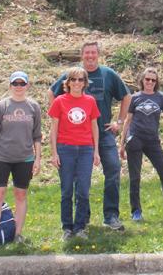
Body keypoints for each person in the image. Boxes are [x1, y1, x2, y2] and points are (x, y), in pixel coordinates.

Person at [50, 41, 130, 231]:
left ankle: (110, 216)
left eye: (93, 52)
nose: (90, 56)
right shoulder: (72, 74)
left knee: (113, 169)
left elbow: (126, 97)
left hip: (103, 133)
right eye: (87, 53)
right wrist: (58, 119)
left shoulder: (108, 74)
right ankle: (81, 219)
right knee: (78, 178)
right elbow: (52, 93)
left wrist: (119, 121)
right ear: (81, 55)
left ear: (98, 54)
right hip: (74, 137)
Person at [0, 71, 42, 248]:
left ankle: (18, 234)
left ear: (27, 86)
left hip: (24, 158)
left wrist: (37, 159)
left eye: (22, 83)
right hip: (1, 157)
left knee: (20, 195)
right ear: (10, 86)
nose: (18, 87)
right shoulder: (1, 106)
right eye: (15, 83)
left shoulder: (33, 107)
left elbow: (37, 136)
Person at [119, 67, 163, 221]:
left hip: (153, 140)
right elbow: (128, 121)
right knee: (135, 177)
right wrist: (121, 144)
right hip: (135, 139)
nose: (150, 82)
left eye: (153, 80)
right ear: (142, 80)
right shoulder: (135, 98)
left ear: (156, 82)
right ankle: (136, 211)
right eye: (147, 79)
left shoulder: (161, 98)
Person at [49, 67, 101, 240]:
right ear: (68, 82)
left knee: (83, 191)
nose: (77, 83)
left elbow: (94, 126)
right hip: (65, 149)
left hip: (86, 149)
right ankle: (67, 227)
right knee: (66, 191)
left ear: (85, 83)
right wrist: (54, 152)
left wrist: (96, 151)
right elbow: (53, 128)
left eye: (81, 80)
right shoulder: (59, 101)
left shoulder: (90, 101)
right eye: (74, 80)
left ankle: (80, 227)